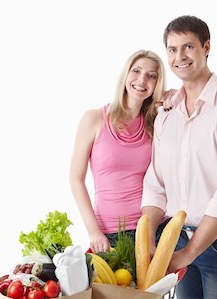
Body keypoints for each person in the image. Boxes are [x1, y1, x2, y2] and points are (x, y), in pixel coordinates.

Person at [141, 15, 217, 298]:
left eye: (188, 47)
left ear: (206, 47)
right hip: (175, 240)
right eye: (172, 49)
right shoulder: (167, 113)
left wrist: (188, 253)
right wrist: (148, 236)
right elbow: (156, 183)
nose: (179, 57)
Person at [69, 50, 166, 253]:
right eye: (136, 71)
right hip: (108, 234)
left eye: (151, 75)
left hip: (150, 232)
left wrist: (172, 95)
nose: (142, 80)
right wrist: (93, 231)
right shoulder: (94, 119)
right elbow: (76, 179)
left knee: (155, 287)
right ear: (126, 74)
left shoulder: (155, 123)